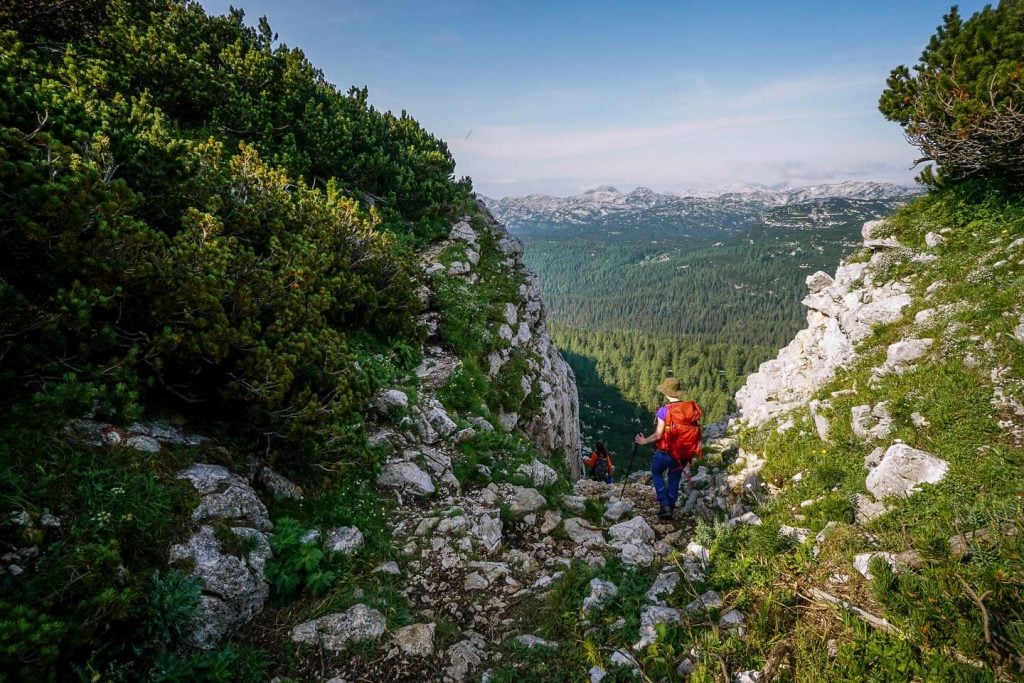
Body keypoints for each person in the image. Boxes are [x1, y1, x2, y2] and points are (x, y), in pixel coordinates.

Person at [634, 377, 703, 520]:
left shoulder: (664, 411)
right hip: (682, 454)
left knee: (656, 473)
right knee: (674, 478)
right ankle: (671, 507)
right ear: (678, 393)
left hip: (665, 453)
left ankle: (664, 505)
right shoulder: (689, 410)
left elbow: (659, 435)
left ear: (666, 393)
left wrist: (644, 440)